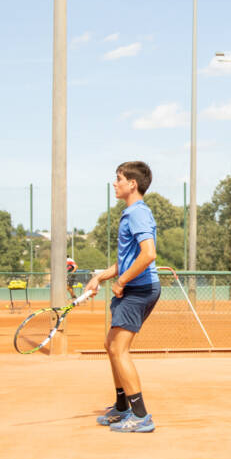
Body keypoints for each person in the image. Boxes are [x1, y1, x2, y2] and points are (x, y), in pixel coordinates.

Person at [84, 162, 161, 433]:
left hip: (139, 290)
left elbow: (148, 254)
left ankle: (140, 416)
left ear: (132, 184)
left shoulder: (137, 213)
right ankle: (121, 407)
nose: (114, 183)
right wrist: (100, 277)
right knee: (111, 345)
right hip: (135, 287)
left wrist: (122, 281)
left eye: (119, 179)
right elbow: (127, 260)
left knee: (119, 348)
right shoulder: (132, 213)